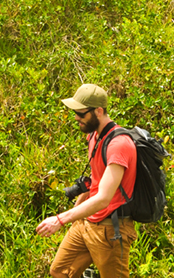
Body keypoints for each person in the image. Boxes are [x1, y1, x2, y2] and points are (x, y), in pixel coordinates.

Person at [36, 84, 138, 278]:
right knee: (60, 271)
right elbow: (94, 180)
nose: (76, 118)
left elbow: (103, 198)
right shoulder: (95, 136)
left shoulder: (119, 144)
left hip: (110, 230)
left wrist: (61, 219)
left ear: (98, 111)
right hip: (86, 222)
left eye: (81, 113)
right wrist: (76, 215)